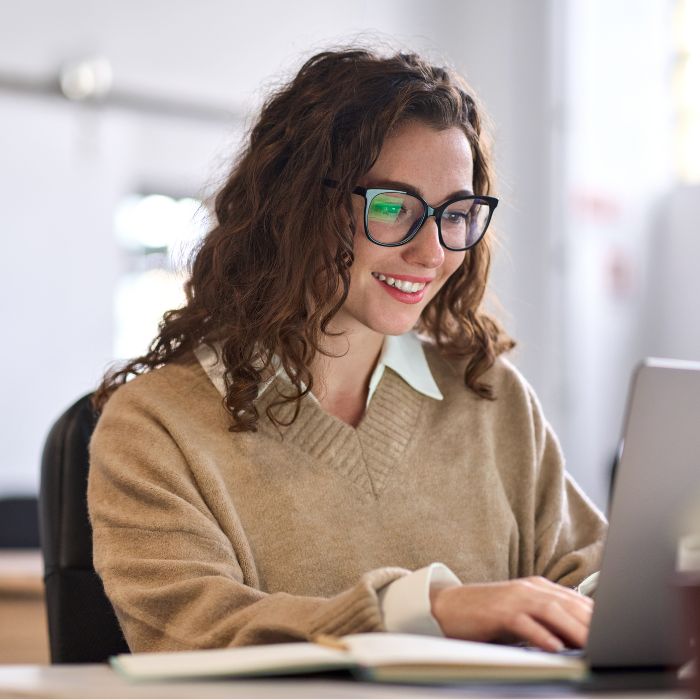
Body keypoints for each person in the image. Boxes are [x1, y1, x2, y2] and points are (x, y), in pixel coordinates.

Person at [88, 47, 606, 654]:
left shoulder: (492, 399)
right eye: (392, 207)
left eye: (456, 213)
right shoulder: (155, 426)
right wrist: (428, 611)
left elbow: (590, 582)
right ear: (296, 207)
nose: (433, 254)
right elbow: (195, 632)